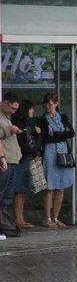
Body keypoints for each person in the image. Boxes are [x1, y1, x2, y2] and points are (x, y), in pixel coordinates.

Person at [37, 92, 74, 228]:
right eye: (45, 104)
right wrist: (62, 134)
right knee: (50, 187)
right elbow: (46, 137)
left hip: (63, 151)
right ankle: (47, 218)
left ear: (56, 104)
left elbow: (71, 133)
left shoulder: (63, 117)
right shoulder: (42, 120)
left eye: (50, 104)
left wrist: (57, 134)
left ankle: (56, 217)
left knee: (61, 187)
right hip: (50, 152)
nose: (48, 106)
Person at [11, 100, 40, 229]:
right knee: (20, 190)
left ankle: (20, 218)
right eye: (31, 109)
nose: (33, 111)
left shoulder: (27, 124)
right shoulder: (22, 123)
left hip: (26, 157)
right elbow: (24, 142)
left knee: (22, 190)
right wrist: (33, 151)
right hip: (22, 159)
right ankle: (18, 219)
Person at [0, 92, 22, 233]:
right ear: (5, 103)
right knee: (2, 194)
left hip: (13, 159)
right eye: (13, 108)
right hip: (5, 159)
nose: (14, 111)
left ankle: (5, 224)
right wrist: (10, 130)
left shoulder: (7, 116)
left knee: (8, 195)